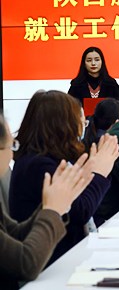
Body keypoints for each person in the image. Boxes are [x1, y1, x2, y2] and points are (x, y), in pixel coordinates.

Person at [10, 90, 119, 263]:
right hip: (52, 260)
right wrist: (99, 173)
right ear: (62, 125)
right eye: (80, 121)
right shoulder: (40, 166)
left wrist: (91, 172)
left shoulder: (47, 158)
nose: (82, 127)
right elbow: (80, 211)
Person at [0, 112, 95, 290]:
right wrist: (52, 210)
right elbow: (26, 264)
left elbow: (14, 233)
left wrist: (52, 204)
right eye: (11, 145)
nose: (12, 154)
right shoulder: (38, 164)